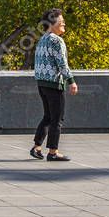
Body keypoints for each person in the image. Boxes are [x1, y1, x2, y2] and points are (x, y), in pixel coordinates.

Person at [32, 8, 78, 162]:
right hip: (53, 84)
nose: (64, 23)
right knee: (57, 119)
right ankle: (53, 151)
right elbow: (62, 64)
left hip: (42, 83)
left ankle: (37, 147)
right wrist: (71, 81)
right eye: (61, 21)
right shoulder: (56, 40)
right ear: (52, 24)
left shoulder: (42, 39)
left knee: (48, 116)